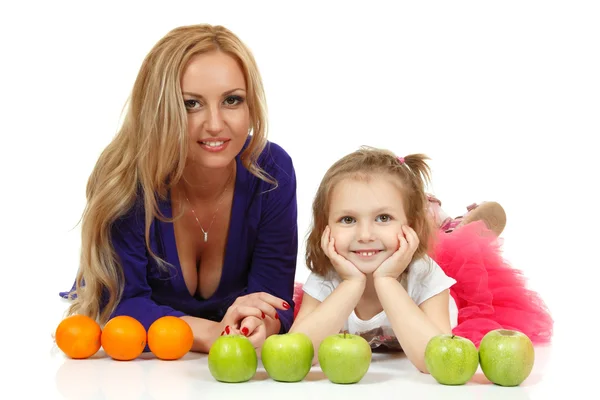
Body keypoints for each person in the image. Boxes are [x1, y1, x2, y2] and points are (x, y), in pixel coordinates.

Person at [59, 24, 298, 353]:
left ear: (251, 106)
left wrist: (257, 325)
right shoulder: (125, 176)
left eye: (232, 100)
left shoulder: (271, 171)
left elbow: (273, 297)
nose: (215, 124)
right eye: (191, 104)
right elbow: (123, 305)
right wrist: (217, 334)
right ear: (158, 109)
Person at [289, 147, 553, 373]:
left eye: (383, 218)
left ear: (411, 225)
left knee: (450, 256)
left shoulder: (425, 274)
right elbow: (296, 354)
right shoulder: (328, 276)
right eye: (348, 220)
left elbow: (436, 360)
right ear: (325, 229)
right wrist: (350, 284)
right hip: (368, 263)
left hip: (429, 274)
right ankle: (439, 222)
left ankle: (446, 226)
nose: (365, 235)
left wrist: (387, 280)